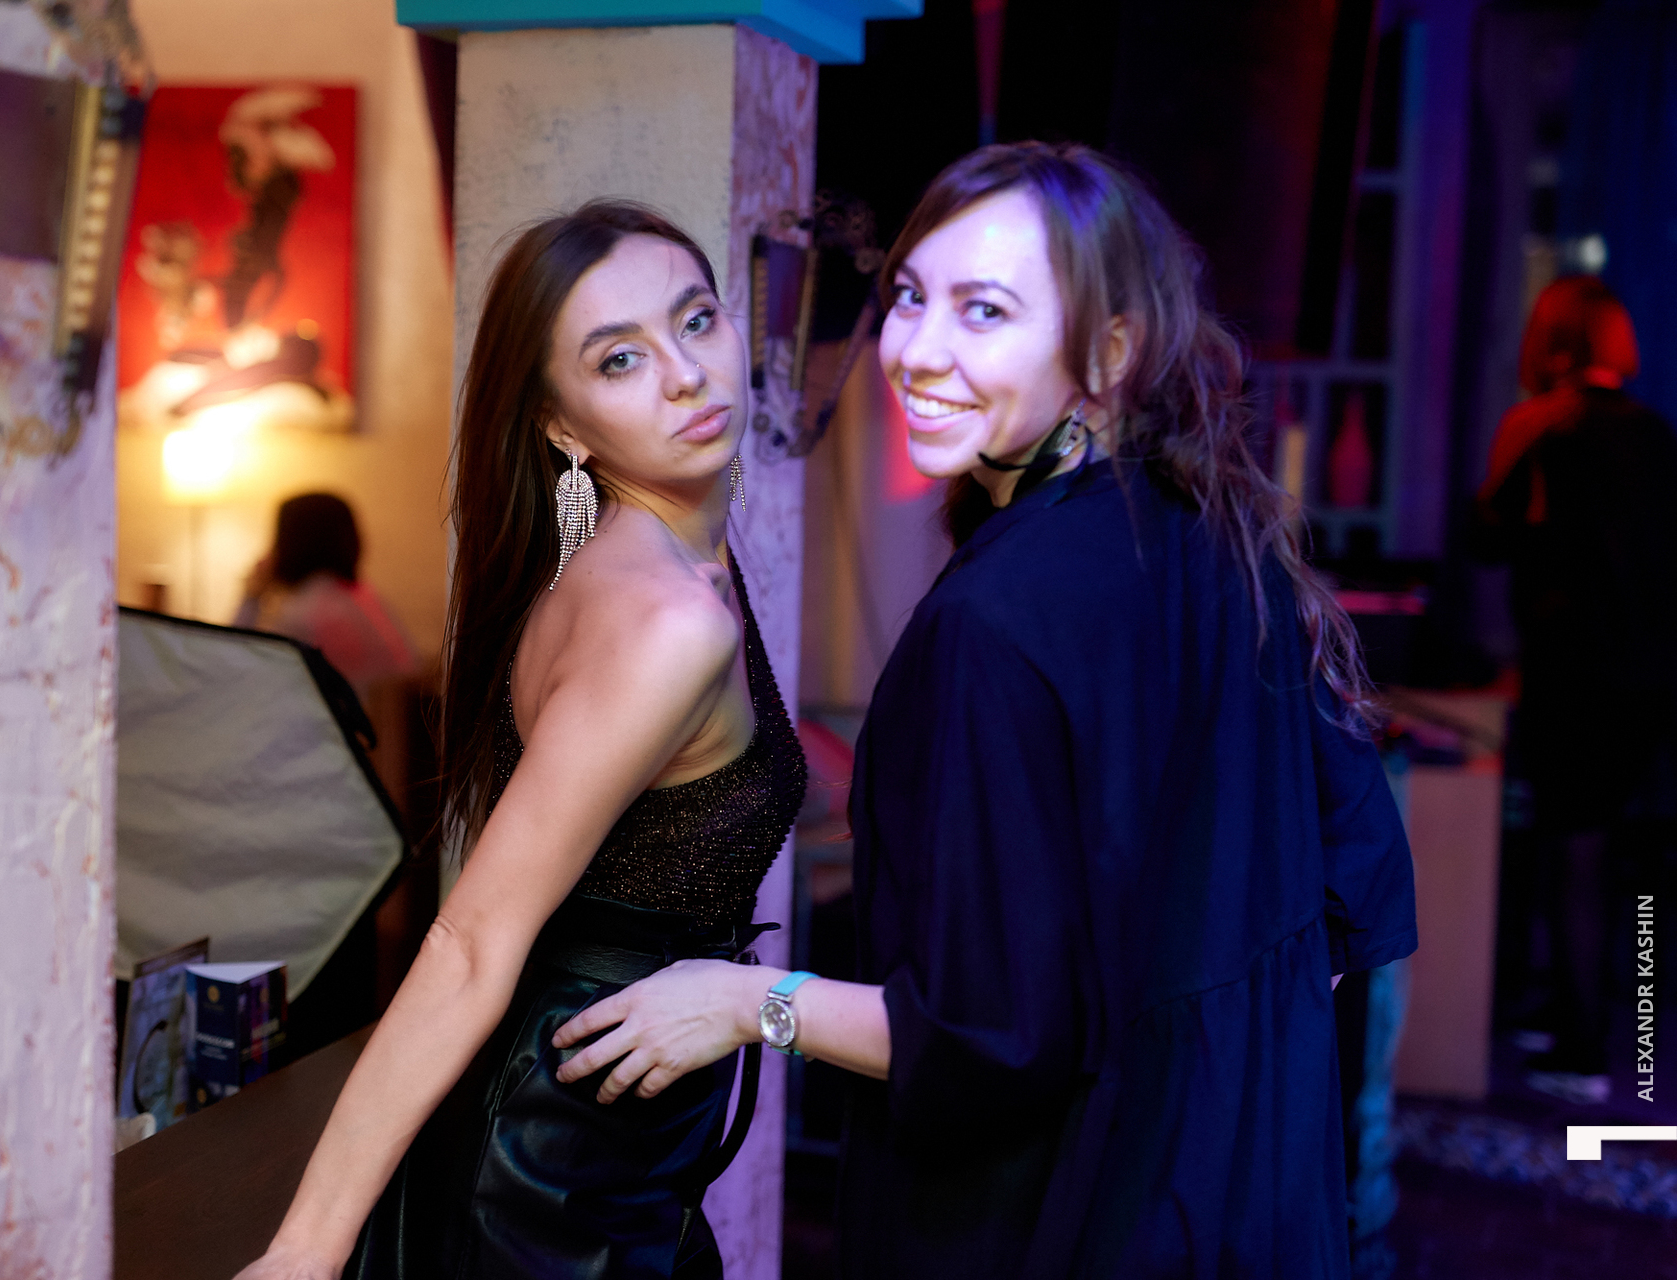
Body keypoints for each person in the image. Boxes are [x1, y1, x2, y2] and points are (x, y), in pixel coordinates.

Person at [551, 143, 1418, 1278]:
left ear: (1110, 353)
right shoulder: (1220, 540)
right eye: (912, 295)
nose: (918, 349)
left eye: (986, 311)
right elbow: (1350, 899)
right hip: (1247, 1220)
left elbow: (988, 1040)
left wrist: (743, 1000)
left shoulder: (993, 624)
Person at [234, 201, 806, 1280]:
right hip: (557, 1164)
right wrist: (303, 1249)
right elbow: (468, 941)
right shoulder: (667, 620)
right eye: (621, 359)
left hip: (608, 1131)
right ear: (563, 428)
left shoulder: (644, 566)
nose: (686, 375)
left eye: (697, 319)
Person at [1474, 276, 1677, 1104]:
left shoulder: (1542, 424)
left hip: (1574, 673)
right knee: (1616, 856)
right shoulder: (1657, 434)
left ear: (1551, 341)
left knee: (1570, 849)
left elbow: (1488, 536)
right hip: (1650, 679)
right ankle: (1591, 1024)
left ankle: (1584, 1044)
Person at [234, 492, 417, 697]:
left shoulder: (300, 614)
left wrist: (252, 597)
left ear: (289, 542)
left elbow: (235, 664)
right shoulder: (363, 599)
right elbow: (409, 664)